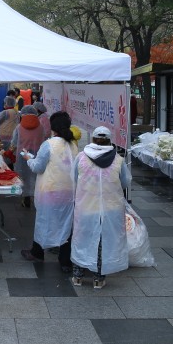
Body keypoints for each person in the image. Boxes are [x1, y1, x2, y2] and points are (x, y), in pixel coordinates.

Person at [70, 126, 131, 289]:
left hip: (85, 206)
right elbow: (125, 182)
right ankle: (98, 278)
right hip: (110, 208)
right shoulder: (118, 160)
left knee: (82, 238)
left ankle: (78, 276)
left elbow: (74, 178)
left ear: (93, 139)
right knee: (102, 242)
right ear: (109, 140)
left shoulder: (81, 157)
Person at [20, 112, 79, 272]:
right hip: (69, 192)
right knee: (67, 224)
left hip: (50, 191)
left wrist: (28, 159)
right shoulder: (73, 145)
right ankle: (65, 261)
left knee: (44, 221)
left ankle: (37, 252)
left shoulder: (49, 144)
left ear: (52, 127)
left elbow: (38, 167)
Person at [11, 105, 47, 207]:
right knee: (36, 176)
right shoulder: (41, 127)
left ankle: (25, 197)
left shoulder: (19, 127)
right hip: (37, 154)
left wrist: (9, 152)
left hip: (23, 154)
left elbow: (14, 143)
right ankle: (36, 197)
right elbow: (44, 140)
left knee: (24, 176)